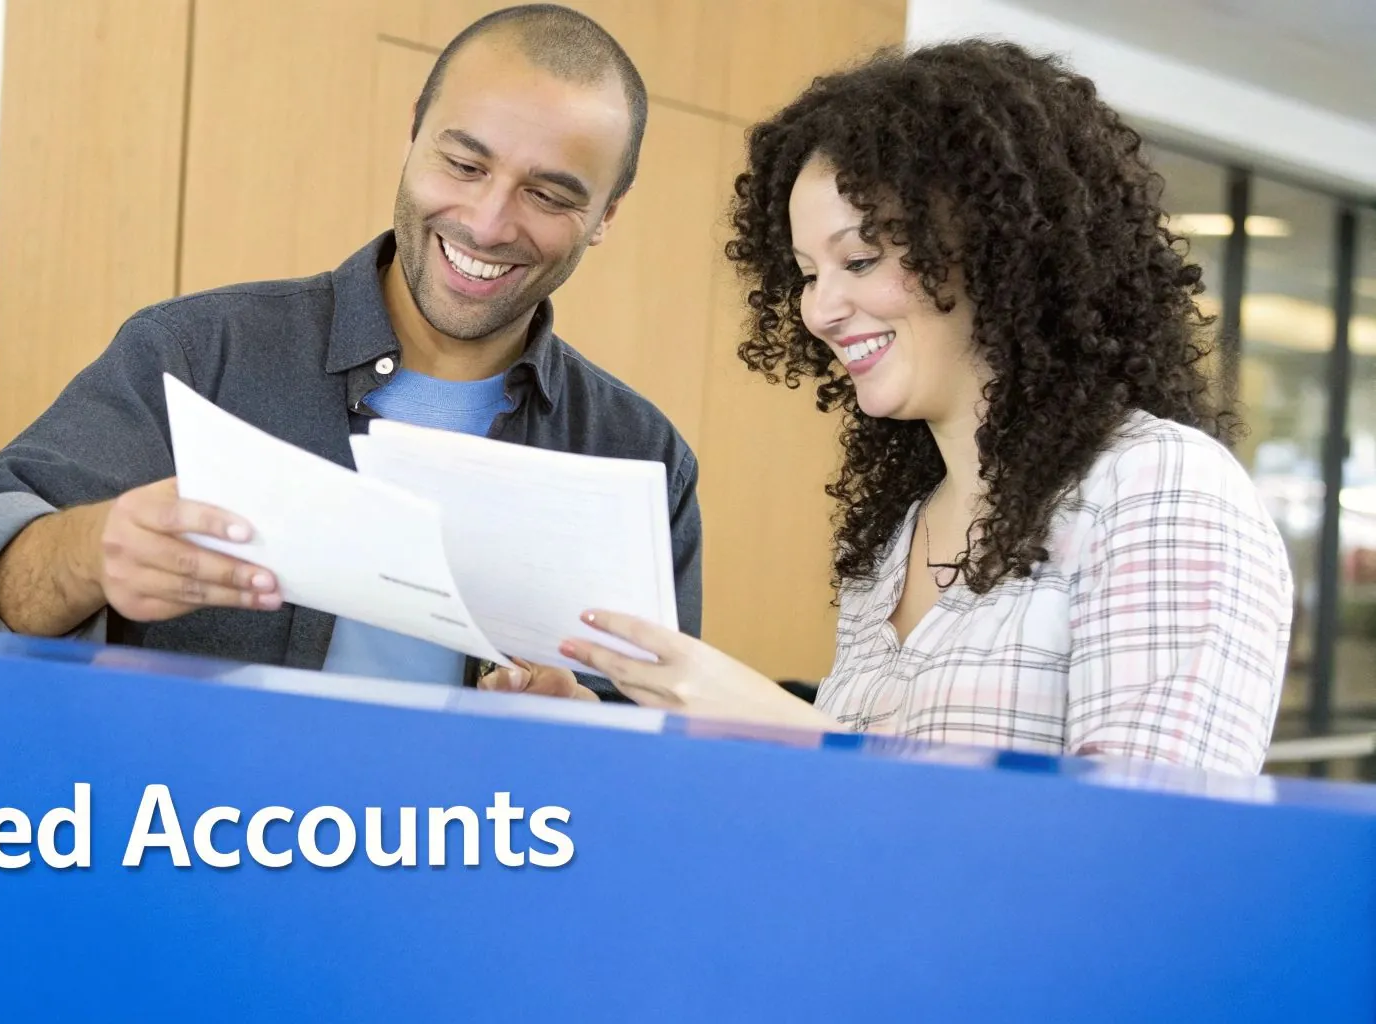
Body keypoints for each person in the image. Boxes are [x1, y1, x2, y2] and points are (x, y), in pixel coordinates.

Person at [485, 40, 1293, 774]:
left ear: (996, 248)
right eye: (806, 272)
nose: (820, 309)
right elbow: (856, 821)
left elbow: (1148, 854)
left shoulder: (1160, 487)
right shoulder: (900, 534)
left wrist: (789, 726)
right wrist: (608, 731)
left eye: (860, 258)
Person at [0, 4, 701, 700]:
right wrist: (88, 553)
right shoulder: (197, 354)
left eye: (549, 195)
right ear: (412, 133)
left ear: (606, 214)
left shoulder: (641, 460)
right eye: (463, 164)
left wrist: (588, 733)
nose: (489, 223)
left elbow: (662, 762)